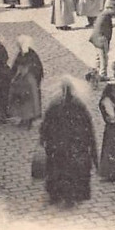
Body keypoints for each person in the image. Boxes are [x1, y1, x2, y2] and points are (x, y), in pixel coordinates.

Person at [39, 78, 98, 206]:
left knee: (59, 170)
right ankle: (68, 196)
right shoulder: (78, 105)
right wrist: (92, 150)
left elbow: (45, 125)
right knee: (69, 170)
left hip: (59, 145)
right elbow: (88, 128)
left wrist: (43, 140)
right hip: (72, 145)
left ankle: (58, 195)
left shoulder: (55, 104)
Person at [8, 35, 44, 127]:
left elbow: (37, 69)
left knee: (29, 101)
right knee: (22, 100)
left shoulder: (32, 54)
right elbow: (15, 66)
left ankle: (29, 119)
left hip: (30, 81)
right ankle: (24, 118)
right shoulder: (21, 54)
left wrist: (28, 72)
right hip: (22, 81)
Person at [89, 5, 115, 81]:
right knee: (103, 57)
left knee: (98, 57)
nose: (114, 12)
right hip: (101, 39)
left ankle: (96, 72)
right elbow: (107, 31)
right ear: (109, 9)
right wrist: (106, 44)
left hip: (95, 38)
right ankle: (102, 75)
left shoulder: (102, 14)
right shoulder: (106, 17)